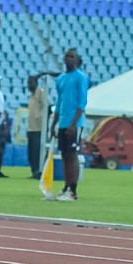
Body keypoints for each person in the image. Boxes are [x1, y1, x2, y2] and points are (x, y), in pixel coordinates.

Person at [49, 48, 89, 201]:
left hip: (75, 123)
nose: (68, 59)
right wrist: (54, 124)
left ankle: (73, 191)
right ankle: (66, 187)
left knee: (72, 155)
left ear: (76, 60)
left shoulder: (80, 77)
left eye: (72, 57)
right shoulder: (61, 79)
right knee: (65, 155)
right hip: (63, 123)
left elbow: (82, 103)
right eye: (66, 56)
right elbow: (59, 104)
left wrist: (74, 124)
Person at [26, 74, 50, 179]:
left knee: (37, 152)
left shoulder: (41, 93)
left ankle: (39, 171)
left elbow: (47, 108)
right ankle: (34, 171)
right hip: (31, 128)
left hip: (39, 128)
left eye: (31, 83)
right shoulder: (31, 95)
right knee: (31, 152)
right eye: (28, 83)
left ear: (36, 83)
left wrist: (40, 118)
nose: (29, 85)